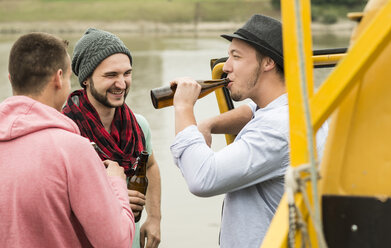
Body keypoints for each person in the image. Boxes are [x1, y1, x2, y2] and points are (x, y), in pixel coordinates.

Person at [170, 14, 329, 248]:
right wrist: (208, 125)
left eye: (236, 57)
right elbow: (251, 111)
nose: (226, 67)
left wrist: (184, 108)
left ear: (267, 63)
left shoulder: (277, 128)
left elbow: (202, 178)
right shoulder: (296, 105)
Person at [0, 32, 135, 247]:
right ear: (58, 77)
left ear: (10, 79)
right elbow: (117, 242)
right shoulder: (74, 149)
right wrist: (116, 183)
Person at [62, 28, 161, 248]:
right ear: (86, 79)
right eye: (111, 75)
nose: (122, 83)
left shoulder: (139, 126)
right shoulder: (65, 130)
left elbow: (151, 166)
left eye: (126, 73)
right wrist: (118, 197)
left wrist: (154, 218)